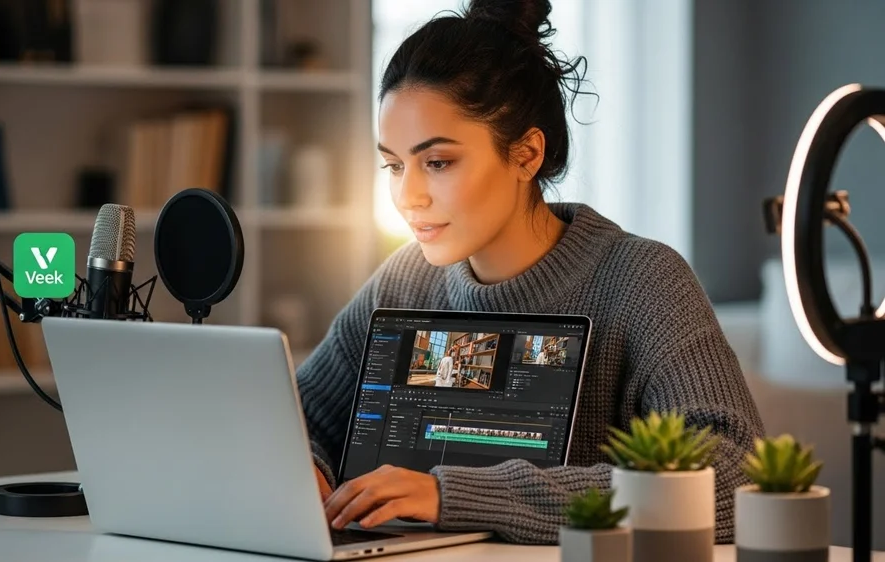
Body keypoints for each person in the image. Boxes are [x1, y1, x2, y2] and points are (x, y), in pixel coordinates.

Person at [297, 0, 764, 545]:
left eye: (438, 162)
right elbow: (296, 415)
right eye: (394, 165)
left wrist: (453, 496)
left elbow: (736, 472)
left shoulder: (642, 280)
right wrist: (306, 469)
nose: (408, 195)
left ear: (526, 154)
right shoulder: (406, 280)